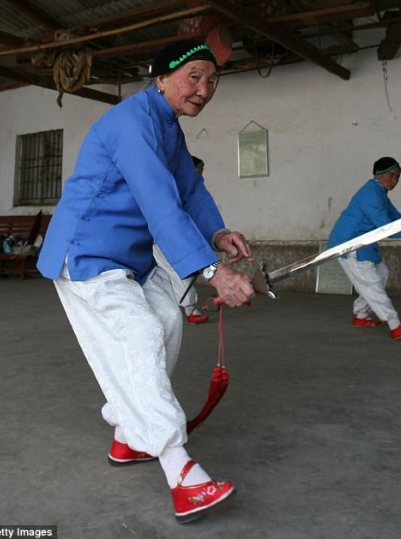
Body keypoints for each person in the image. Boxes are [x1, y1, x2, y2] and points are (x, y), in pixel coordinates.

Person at [36, 40, 256, 523]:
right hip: (87, 253)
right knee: (140, 334)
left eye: (212, 81)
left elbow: (190, 190)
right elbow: (160, 204)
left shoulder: (168, 129)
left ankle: (128, 435)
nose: (204, 89)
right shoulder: (130, 122)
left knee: (167, 323)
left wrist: (218, 233)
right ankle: (178, 467)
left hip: (131, 259)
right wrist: (214, 272)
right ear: (160, 78)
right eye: (193, 76)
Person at [328, 157, 401, 341]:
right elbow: (386, 226)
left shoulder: (380, 193)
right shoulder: (370, 194)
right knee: (372, 284)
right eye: (391, 175)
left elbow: (396, 219)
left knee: (381, 274)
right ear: (378, 174)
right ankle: (395, 325)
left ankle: (361, 315)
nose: (394, 181)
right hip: (349, 245)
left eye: (397, 177)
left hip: (364, 244)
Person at [153, 156, 210, 324]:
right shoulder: (171, 189)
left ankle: (183, 308)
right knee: (180, 271)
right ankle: (190, 308)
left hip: (169, 237)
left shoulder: (186, 190)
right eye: (198, 171)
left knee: (171, 273)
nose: (200, 175)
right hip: (163, 238)